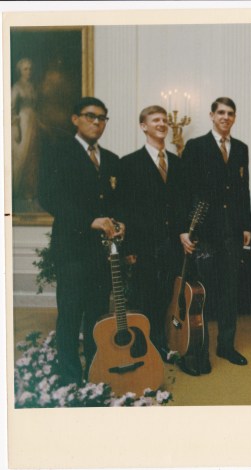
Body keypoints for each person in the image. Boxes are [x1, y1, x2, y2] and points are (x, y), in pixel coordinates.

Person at [38, 97, 124, 385]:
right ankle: (70, 378)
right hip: (72, 249)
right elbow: (49, 197)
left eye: (102, 118)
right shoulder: (58, 152)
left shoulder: (111, 159)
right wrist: (90, 221)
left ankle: (95, 371)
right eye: (90, 116)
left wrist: (120, 222)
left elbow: (116, 202)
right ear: (75, 119)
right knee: (71, 314)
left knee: (97, 315)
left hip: (102, 252)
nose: (97, 122)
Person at [179, 97, 251, 375]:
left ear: (234, 118)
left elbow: (243, 189)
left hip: (232, 232)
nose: (225, 117)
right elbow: (185, 190)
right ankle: (201, 351)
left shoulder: (241, 148)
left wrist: (246, 225)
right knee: (204, 294)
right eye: (221, 112)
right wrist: (186, 229)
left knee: (230, 291)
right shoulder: (196, 147)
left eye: (230, 113)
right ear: (211, 115)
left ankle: (226, 346)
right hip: (204, 232)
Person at [118, 105, 183, 362]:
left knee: (166, 297)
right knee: (144, 298)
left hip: (171, 244)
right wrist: (128, 249)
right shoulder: (129, 163)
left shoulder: (177, 163)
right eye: (156, 120)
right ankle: (145, 348)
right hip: (143, 246)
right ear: (143, 126)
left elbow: (181, 204)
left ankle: (162, 344)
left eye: (165, 120)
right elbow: (124, 209)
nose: (162, 123)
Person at [11, 57, 41, 210]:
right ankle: (21, 192)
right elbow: (11, 109)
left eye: (30, 69)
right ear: (20, 71)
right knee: (23, 156)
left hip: (34, 122)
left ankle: (31, 190)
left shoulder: (32, 86)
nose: (28, 72)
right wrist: (15, 127)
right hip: (23, 123)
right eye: (25, 69)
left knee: (33, 157)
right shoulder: (16, 87)